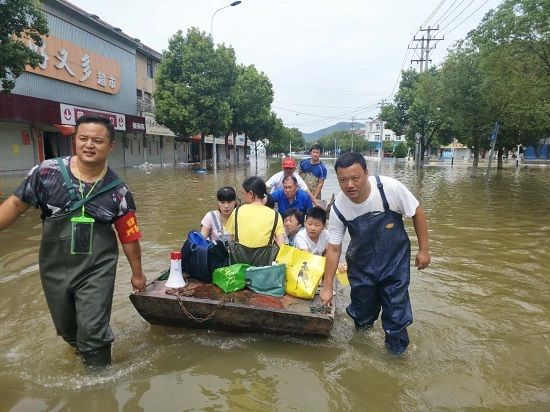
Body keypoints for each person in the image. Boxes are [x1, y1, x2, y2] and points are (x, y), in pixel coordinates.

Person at [0, 115, 147, 368]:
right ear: (75, 141)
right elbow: (15, 204)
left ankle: (99, 383)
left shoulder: (118, 191)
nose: (89, 145)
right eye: (83, 138)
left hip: (96, 268)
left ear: (110, 146)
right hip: (55, 266)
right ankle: (86, 353)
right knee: (67, 328)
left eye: (98, 140)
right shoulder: (46, 172)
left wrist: (137, 274)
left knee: (92, 330)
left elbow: (129, 235)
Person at [320, 152, 430, 355]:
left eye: (355, 178)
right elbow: (334, 249)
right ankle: (362, 351)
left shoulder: (389, 188)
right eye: (343, 180)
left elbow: (416, 211)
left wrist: (424, 250)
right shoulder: (338, 208)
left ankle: (396, 357)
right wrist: (327, 288)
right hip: (361, 267)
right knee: (362, 316)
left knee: (396, 314)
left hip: (394, 263)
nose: (350, 185)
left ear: (366, 174)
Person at [225, 176, 284, 267]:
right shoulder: (276, 215)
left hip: (239, 266)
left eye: (244, 193)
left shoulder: (237, 211)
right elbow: (281, 246)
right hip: (263, 268)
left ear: (251, 194)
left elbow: (230, 240)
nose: (244, 196)